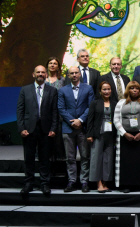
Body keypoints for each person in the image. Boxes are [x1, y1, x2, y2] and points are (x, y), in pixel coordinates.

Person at [17, 65, 58, 196]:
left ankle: (44, 183)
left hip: (46, 129)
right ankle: (28, 183)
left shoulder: (52, 91)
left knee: (45, 158)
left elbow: (54, 112)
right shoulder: (25, 90)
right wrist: (21, 128)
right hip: (29, 129)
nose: (40, 74)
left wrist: (53, 128)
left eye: (43, 72)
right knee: (29, 157)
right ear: (33, 74)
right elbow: (20, 110)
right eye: (38, 72)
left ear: (46, 74)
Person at [58, 66, 95, 193]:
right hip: (68, 128)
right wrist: (72, 121)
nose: (74, 75)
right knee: (70, 157)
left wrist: (81, 120)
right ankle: (72, 181)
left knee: (85, 156)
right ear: (68, 76)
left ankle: (84, 181)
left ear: (80, 74)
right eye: (71, 73)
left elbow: (91, 106)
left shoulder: (88, 88)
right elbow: (61, 109)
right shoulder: (63, 90)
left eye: (76, 73)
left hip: (83, 128)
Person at [113, 81, 140, 193]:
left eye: (136, 88)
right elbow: (116, 119)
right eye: (132, 88)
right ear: (128, 90)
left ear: (139, 90)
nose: (134, 90)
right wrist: (124, 133)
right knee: (126, 161)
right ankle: (127, 184)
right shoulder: (121, 103)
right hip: (125, 137)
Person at [86, 82, 117, 193]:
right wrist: (89, 134)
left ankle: (105, 182)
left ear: (111, 90)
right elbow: (90, 119)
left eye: (108, 89)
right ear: (100, 91)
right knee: (96, 158)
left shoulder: (115, 103)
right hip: (98, 134)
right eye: (104, 89)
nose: (106, 91)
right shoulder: (95, 103)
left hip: (111, 135)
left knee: (108, 159)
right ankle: (98, 183)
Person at [45, 57, 66, 161]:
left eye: (55, 63)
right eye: (50, 63)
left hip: (59, 113)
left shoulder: (63, 80)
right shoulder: (43, 80)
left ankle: (60, 160)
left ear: (58, 66)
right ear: (47, 65)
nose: (52, 65)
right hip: (46, 112)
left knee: (59, 139)